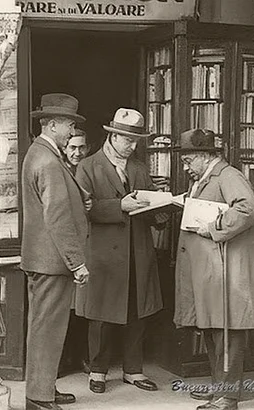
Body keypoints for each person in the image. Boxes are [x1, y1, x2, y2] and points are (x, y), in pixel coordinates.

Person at [174, 129, 254, 410]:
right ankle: (220, 389)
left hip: (227, 271)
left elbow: (247, 209)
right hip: (212, 270)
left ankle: (228, 397)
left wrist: (213, 228)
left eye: (188, 161)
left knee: (228, 332)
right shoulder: (205, 178)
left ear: (203, 156)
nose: (186, 168)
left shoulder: (228, 175)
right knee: (213, 329)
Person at [75, 108, 164, 394]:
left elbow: (149, 205)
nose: (132, 146)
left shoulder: (138, 167)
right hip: (104, 254)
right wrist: (119, 207)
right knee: (101, 315)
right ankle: (98, 371)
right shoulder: (88, 166)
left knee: (138, 311)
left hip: (138, 252)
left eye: (136, 141)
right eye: (127, 140)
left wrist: (164, 206)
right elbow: (80, 211)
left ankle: (133, 370)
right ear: (112, 136)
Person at [21, 93, 90, 410]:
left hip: (43, 259)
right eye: (69, 124)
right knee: (47, 330)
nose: (72, 130)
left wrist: (81, 197)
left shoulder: (41, 154)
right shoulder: (49, 161)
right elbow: (57, 217)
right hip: (53, 261)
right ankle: (38, 396)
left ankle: (42, 387)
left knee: (43, 327)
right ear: (51, 124)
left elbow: (58, 204)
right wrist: (77, 263)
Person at [58, 128, 90, 377]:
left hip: (87, 247)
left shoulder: (89, 170)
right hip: (64, 250)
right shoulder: (58, 170)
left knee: (82, 307)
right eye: (72, 147)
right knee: (63, 308)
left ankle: (80, 356)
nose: (77, 152)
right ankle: (63, 360)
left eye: (82, 147)